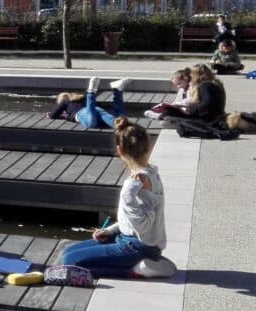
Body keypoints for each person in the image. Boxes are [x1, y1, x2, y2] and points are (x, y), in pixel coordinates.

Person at [59, 117, 170, 278]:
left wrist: (127, 196)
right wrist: (109, 231)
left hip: (139, 247)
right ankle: (143, 263)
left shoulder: (139, 182)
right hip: (129, 240)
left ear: (119, 151)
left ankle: (136, 271)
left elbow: (143, 226)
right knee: (68, 252)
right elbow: (130, 221)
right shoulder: (150, 173)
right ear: (148, 146)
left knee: (70, 261)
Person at [47, 77, 134, 130]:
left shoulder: (65, 102)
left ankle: (91, 91)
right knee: (119, 123)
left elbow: (53, 115)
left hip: (84, 114)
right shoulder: (81, 98)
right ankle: (117, 90)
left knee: (91, 120)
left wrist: (54, 114)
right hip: (96, 110)